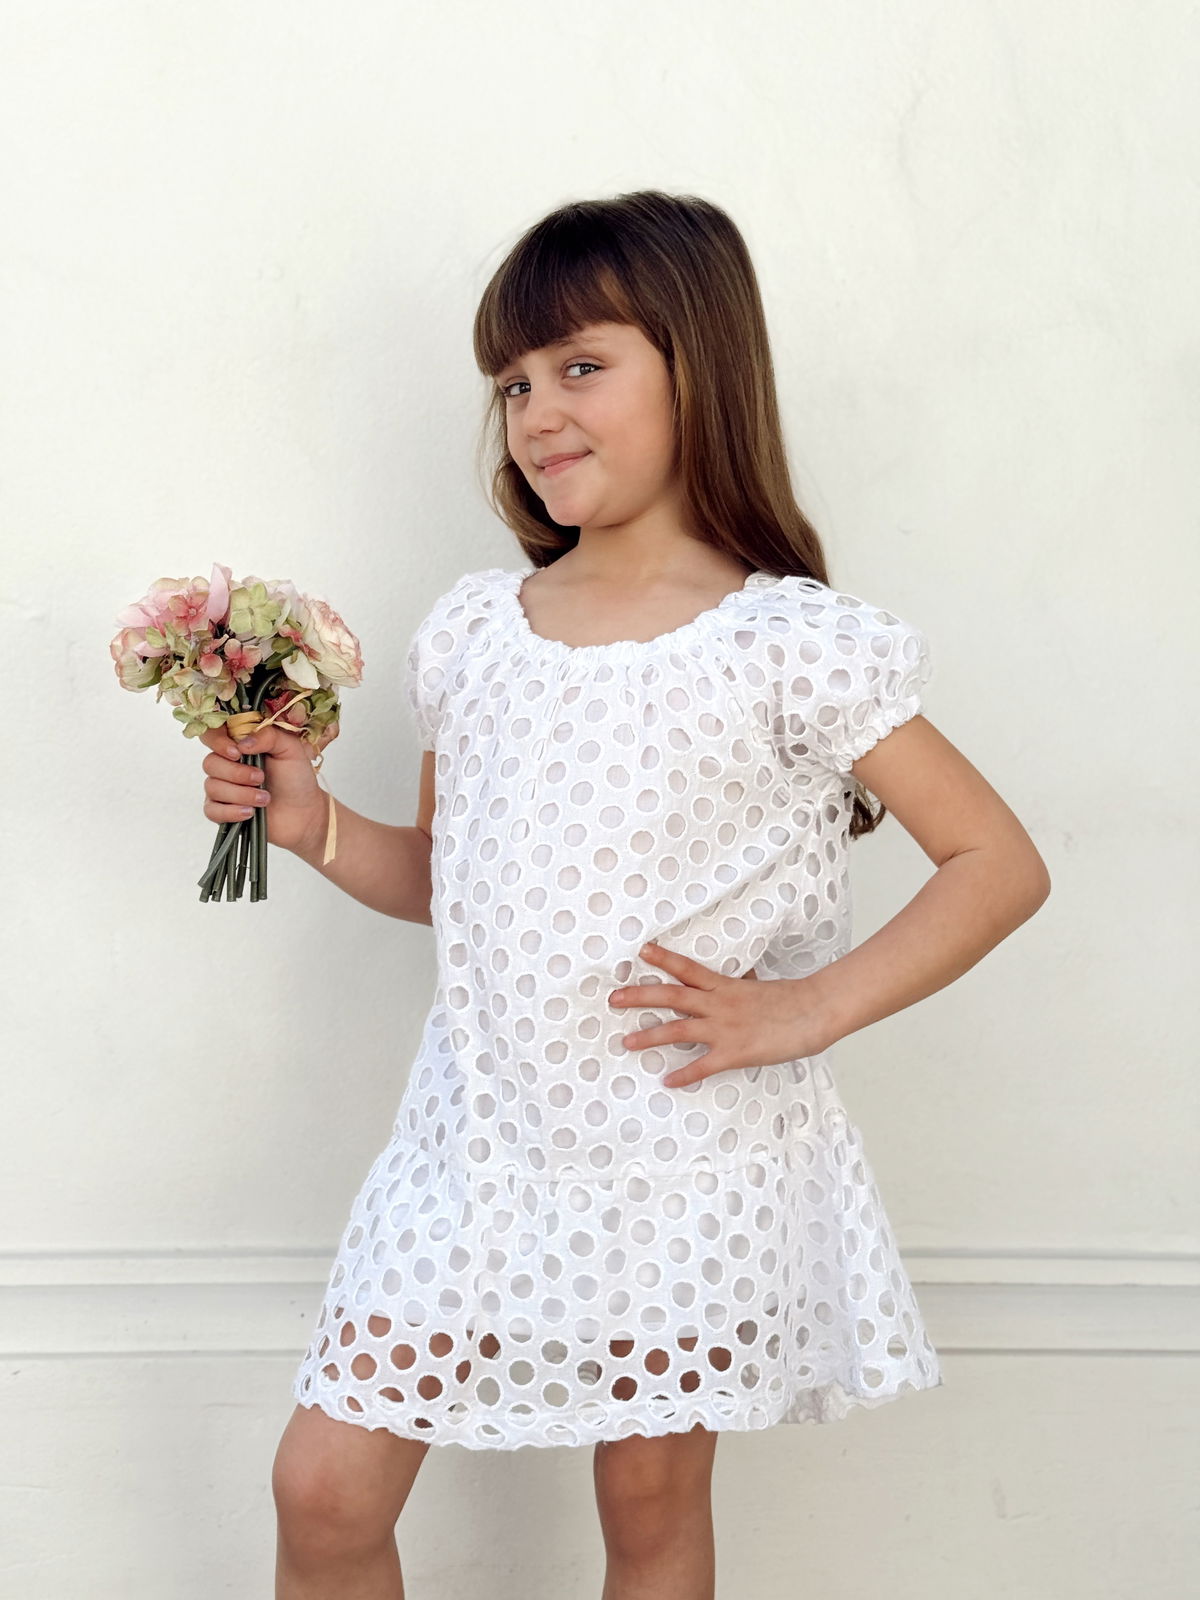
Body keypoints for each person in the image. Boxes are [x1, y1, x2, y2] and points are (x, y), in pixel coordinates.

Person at [198, 190, 1051, 1600]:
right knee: (325, 1488)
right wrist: (312, 824)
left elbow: (997, 863)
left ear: (696, 367)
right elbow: (453, 884)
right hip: (473, 1145)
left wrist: (803, 1011)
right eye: (513, 383)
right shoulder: (477, 634)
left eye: (580, 366)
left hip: (679, 1154)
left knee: (649, 1500)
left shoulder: (785, 643)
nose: (536, 412)